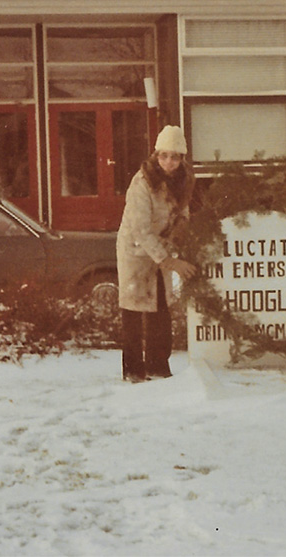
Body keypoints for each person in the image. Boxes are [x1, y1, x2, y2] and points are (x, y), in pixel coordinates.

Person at [116, 125, 197, 383]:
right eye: (163, 156)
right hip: (136, 250)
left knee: (160, 309)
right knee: (134, 309)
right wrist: (169, 260)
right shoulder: (142, 183)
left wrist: (179, 234)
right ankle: (133, 371)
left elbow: (183, 213)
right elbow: (140, 228)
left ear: (182, 158)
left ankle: (158, 366)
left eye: (174, 156)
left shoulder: (183, 180)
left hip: (161, 247)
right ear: (156, 155)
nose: (169, 162)